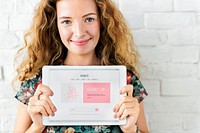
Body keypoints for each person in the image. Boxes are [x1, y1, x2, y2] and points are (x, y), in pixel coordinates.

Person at [13, 0, 149, 132]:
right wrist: (37, 127)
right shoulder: (35, 85)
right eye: (66, 21)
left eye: (89, 19)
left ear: (102, 21)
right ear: (55, 26)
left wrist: (131, 129)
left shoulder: (126, 81)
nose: (79, 32)